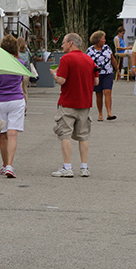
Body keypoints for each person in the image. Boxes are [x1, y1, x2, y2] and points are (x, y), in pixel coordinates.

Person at [51, 33, 97, 178]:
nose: (62, 45)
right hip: (85, 103)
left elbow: (62, 80)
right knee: (83, 136)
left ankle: (67, 166)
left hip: (68, 102)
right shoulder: (89, 59)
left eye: (64, 42)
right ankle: (84, 167)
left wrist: (54, 74)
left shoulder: (66, 58)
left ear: (71, 43)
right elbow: (96, 81)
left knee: (65, 134)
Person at [0, 35, 27, 179]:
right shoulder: (20, 63)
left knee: (2, 134)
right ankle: (10, 165)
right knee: (13, 133)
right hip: (16, 100)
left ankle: (4, 165)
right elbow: (21, 80)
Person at [86, 31, 119, 122]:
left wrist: (117, 70)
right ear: (98, 40)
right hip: (96, 74)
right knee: (99, 93)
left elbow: (112, 59)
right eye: (103, 38)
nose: (104, 40)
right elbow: (87, 63)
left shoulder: (107, 48)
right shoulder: (90, 50)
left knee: (108, 92)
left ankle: (109, 113)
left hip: (108, 73)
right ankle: (100, 113)